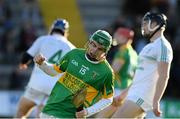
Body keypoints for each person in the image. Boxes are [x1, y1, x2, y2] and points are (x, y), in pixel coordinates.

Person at [34, 30, 115, 118]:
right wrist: (42, 64)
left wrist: (87, 112)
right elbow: (53, 71)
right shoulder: (74, 54)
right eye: (93, 45)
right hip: (52, 107)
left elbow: (108, 99)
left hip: (71, 115)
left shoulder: (106, 72)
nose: (94, 50)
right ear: (89, 42)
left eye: (100, 49)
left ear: (105, 51)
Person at [112, 11, 173, 118]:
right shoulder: (148, 47)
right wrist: (124, 94)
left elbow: (164, 76)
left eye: (145, 23)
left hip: (142, 96)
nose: (143, 27)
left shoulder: (163, 46)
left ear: (155, 24)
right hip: (134, 94)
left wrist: (156, 101)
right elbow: (138, 77)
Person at [15, 18, 75, 118]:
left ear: (52, 28)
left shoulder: (43, 39)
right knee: (41, 116)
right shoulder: (71, 48)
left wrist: (22, 63)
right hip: (54, 88)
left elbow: (27, 56)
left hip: (37, 83)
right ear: (66, 32)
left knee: (21, 112)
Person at [95, 27, 138, 118]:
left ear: (123, 37)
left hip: (118, 89)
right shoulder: (134, 53)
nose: (115, 37)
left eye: (117, 35)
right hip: (128, 90)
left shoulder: (122, 52)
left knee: (100, 116)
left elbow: (114, 70)